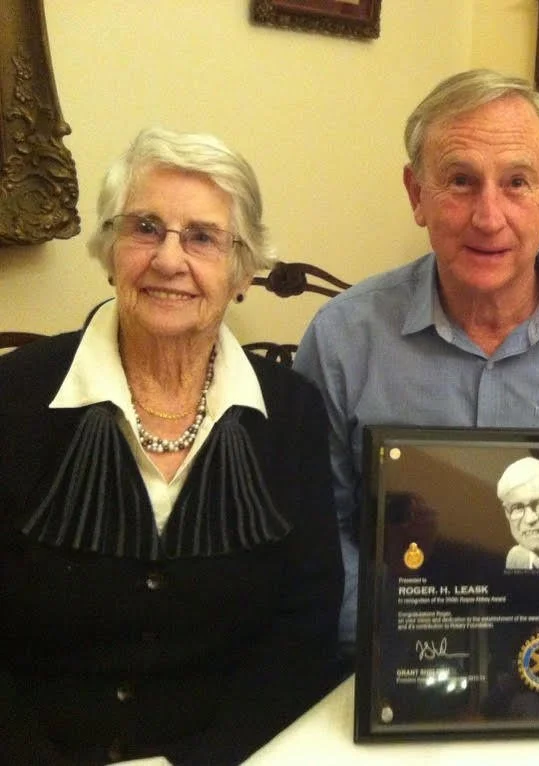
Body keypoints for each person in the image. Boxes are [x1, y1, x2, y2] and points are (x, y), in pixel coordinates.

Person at [0, 128, 344, 765]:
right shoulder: (12, 400)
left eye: (203, 238)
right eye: (146, 228)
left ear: (241, 272)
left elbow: (304, 627)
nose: (168, 259)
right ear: (109, 251)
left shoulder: (290, 413)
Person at [294, 69, 539, 654]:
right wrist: (376, 648)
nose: (488, 217)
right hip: (393, 654)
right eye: (461, 181)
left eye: (517, 182)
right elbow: (323, 525)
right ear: (417, 195)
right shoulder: (341, 340)